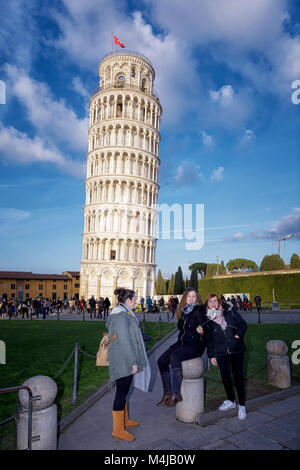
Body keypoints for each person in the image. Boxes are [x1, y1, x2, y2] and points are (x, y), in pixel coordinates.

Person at [106, 288, 150, 442]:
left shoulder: (124, 313)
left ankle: (124, 420)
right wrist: (133, 362)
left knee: (123, 391)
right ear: (128, 301)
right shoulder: (120, 316)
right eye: (134, 299)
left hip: (123, 357)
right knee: (121, 392)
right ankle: (118, 429)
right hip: (123, 359)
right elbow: (124, 340)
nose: (136, 302)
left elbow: (130, 334)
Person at [156, 288, 207, 407]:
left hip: (195, 345)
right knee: (161, 361)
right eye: (189, 296)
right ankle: (167, 393)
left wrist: (202, 332)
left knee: (175, 357)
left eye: (194, 296)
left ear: (197, 298)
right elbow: (182, 330)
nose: (191, 299)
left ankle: (176, 393)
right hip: (182, 343)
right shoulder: (183, 311)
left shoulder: (199, 311)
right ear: (185, 298)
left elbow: (207, 328)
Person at [204, 293, 248, 420]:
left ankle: (242, 405)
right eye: (210, 302)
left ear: (218, 302)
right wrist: (211, 355)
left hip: (236, 349)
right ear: (207, 305)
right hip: (221, 351)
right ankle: (230, 400)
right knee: (225, 377)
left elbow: (242, 325)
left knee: (238, 377)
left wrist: (237, 337)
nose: (213, 304)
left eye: (214, 301)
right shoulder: (208, 319)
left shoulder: (229, 310)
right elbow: (209, 339)